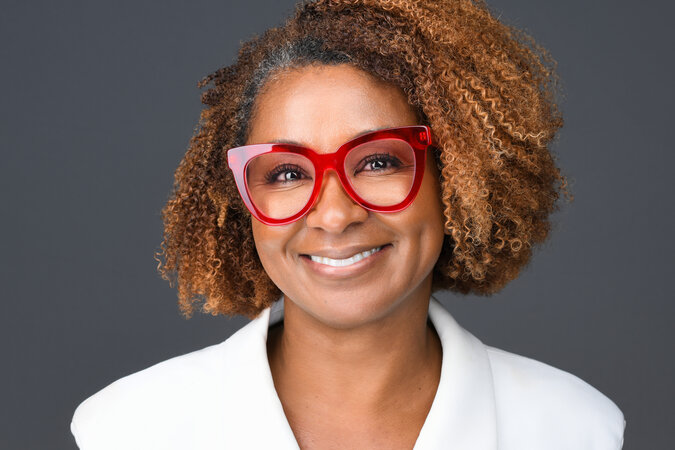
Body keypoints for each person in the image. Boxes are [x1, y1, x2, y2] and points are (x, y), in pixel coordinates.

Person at [70, 0, 626, 448]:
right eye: (288, 173)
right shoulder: (128, 430)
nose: (335, 215)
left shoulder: (574, 430)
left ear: (456, 176)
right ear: (241, 201)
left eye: (379, 162)